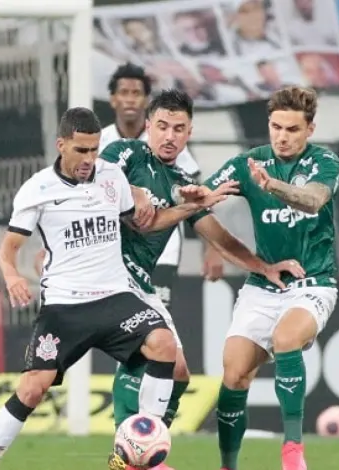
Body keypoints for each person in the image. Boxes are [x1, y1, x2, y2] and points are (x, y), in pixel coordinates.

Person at [0, 107, 235, 470]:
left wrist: (190, 207)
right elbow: (8, 248)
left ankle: (141, 452)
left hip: (115, 298)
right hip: (65, 307)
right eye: (81, 150)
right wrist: (12, 275)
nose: (89, 159)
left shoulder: (111, 176)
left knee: (164, 345)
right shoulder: (38, 188)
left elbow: (146, 223)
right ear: (61, 145)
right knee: (33, 387)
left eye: (95, 149)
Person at [93, 89, 305, 470]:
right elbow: (98, 177)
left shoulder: (179, 181)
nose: (168, 136)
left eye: (178, 128)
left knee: (178, 372)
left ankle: (143, 449)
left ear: (189, 132)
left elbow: (217, 236)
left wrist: (263, 267)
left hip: (140, 283)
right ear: (147, 127)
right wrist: (136, 190)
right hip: (107, 274)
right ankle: (127, 457)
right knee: (148, 351)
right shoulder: (127, 153)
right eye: (161, 126)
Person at [187, 86, 339, 470]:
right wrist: (193, 194)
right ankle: (228, 465)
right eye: (276, 127)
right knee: (234, 372)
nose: (282, 136)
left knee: (286, 338)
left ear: (310, 129)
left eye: (292, 129)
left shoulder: (325, 161)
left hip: (313, 283)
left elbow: (313, 200)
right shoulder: (249, 162)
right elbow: (204, 197)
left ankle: (292, 452)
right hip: (263, 285)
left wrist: (271, 186)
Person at [100, 63, 225, 307]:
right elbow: (83, 187)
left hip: (161, 247)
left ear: (146, 100)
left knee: (153, 317)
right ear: (112, 99)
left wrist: (212, 248)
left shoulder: (171, 141)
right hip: (110, 247)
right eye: (123, 93)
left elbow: (195, 195)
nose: (129, 100)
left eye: (136, 93)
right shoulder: (103, 141)